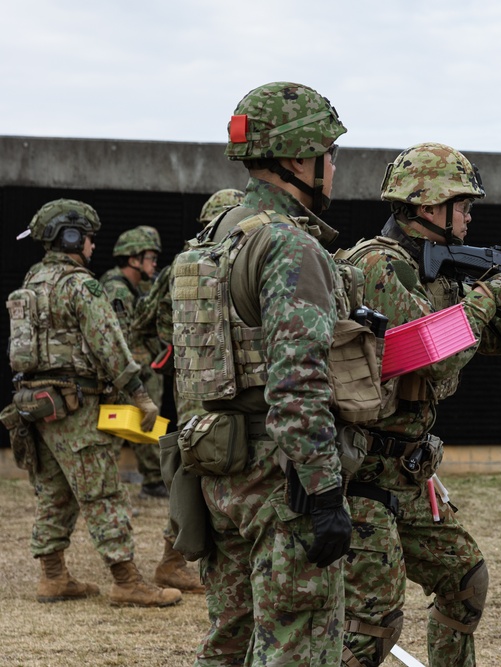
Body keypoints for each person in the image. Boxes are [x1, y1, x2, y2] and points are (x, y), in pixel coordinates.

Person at [337, 142, 501, 667]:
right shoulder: (379, 267)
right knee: (370, 629)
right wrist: (491, 294)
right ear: (429, 208)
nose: (470, 216)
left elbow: (484, 338)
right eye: (463, 205)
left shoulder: (436, 270)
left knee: (465, 582)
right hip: (363, 476)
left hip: (404, 473)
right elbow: (435, 360)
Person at [171, 82, 353, 666]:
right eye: (329, 153)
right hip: (280, 481)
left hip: (218, 469)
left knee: (230, 639)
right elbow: (297, 378)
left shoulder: (213, 241)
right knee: (297, 642)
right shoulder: (288, 245)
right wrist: (323, 490)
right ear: (298, 158)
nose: (333, 167)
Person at [7, 199, 182, 608]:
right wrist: (139, 395)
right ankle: (126, 581)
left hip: (36, 406)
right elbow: (110, 345)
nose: (91, 245)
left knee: (55, 491)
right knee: (102, 493)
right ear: (69, 236)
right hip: (76, 405)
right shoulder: (80, 286)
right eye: (87, 237)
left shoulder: (30, 285)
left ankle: (53, 576)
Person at [131, 188, 246, 430]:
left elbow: (147, 317)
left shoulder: (184, 261)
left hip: (192, 376)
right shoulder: (253, 259)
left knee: (195, 444)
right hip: (243, 377)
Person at [100, 226, 167, 499]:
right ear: (133, 259)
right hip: (128, 372)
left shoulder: (136, 286)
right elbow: (119, 339)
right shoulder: (117, 288)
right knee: (116, 429)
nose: (154, 263)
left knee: (145, 425)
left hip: (140, 367)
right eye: (150, 257)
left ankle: (152, 480)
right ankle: (105, 487)